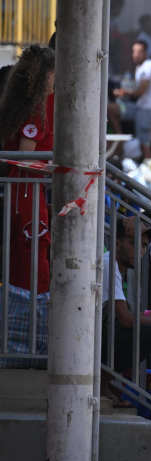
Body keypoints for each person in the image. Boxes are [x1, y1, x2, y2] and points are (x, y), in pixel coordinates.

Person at [0, 45, 55, 365]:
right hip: (26, 194)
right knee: (33, 264)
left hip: (27, 193)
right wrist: (56, 167)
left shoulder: (25, 106)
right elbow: (25, 157)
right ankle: (27, 342)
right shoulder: (36, 111)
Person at [101, 216, 151, 376]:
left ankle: (109, 381)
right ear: (116, 242)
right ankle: (104, 380)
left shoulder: (115, 266)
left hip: (98, 334)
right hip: (92, 339)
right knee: (150, 332)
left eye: (144, 246)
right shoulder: (109, 265)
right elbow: (125, 319)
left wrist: (150, 314)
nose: (140, 251)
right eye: (133, 243)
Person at [114, 40, 151, 160]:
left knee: (144, 146)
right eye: (134, 51)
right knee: (111, 109)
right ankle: (118, 140)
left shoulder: (149, 66)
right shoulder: (140, 68)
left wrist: (123, 92)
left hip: (147, 111)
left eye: (139, 52)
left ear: (145, 53)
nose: (135, 54)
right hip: (139, 109)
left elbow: (140, 91)